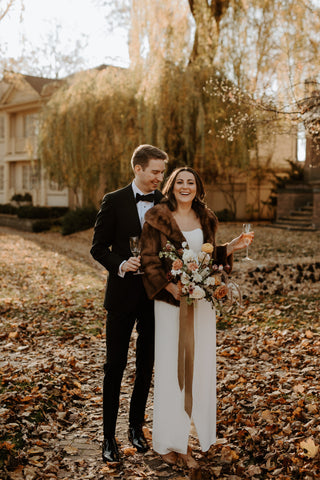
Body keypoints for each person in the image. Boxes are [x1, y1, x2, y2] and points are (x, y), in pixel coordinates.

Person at [140, 167, 254, 468]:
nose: (185, 186)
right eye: (180, 182)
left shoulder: (206, 218)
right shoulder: (157, 218)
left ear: (197, 187)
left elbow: (206, 257)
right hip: (170, 304)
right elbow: (149, 258)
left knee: (199, 369)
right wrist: (169, 286)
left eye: (191, 182)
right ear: (171, 186)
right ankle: (168, 442)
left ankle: (189, 439)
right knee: (171, 369)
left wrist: (231, 247)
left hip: (202, 305)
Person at [90, 144, 168, 463]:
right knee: (115, 366)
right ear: (138, 168)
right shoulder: (113, 200)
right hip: (121, 297)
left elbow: (176, 245)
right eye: (155, 172)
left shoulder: (165, 203)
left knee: (146, 365)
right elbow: (98, 248)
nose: (159, 178)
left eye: (162, 172)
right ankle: (108, 438)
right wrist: (121, 265)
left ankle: (135, 427)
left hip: (153, 297)